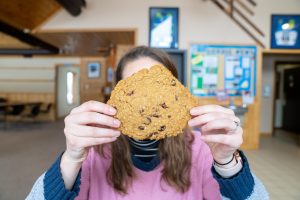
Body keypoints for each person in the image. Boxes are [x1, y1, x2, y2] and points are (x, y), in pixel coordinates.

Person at [26, 46, 268, 200]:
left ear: (177, 93)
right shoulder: (94, 149)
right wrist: (72, 157)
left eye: (158, 84)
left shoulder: (202, 148)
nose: (148, 103)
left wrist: (227, 163)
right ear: (116, 95)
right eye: (134, 87)